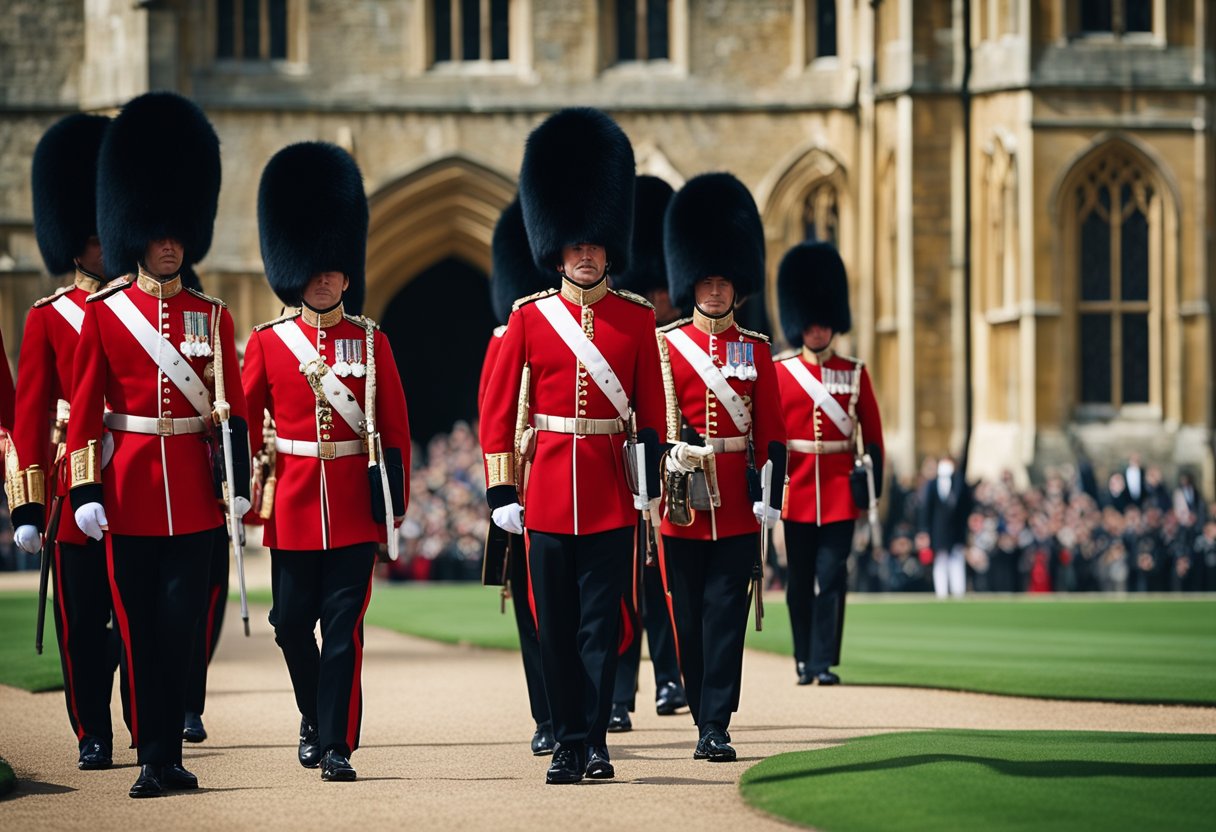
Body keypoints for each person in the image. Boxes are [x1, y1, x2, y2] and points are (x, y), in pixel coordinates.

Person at [67, 92, 250, 798]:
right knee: (138, 633)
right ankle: (150, 756)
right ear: (137, 233)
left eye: (178, 231)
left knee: (181, 631)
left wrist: (235, 484)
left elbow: (228, 409)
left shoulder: (214, 315)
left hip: (195, 504)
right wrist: (85, 490)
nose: (169, 242)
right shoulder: (107, 316)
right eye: (159, 231)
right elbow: (85, 409)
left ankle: (170, 752)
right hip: (130, 495)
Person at [481, 108, 665, 784]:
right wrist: (504, 491)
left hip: (613, 499)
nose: (585, 254)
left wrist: (649, 479)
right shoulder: (530, 318)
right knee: (554, 631)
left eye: (595, 244)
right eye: (574, 245)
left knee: (601, 632)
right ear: (556, 249)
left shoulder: (637, 320)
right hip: (549, 496)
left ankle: (591, 741)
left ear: (609, 248)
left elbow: (648, 414)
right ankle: (566, 738)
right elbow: (500, 410)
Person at [243, 142, 410, 783]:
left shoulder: (372, 340)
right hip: (290, 506)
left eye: (335, 269)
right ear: (298, 270)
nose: (326, 278)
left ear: (346, 272)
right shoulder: (268, 342)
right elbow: (239, 415)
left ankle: (335, 742)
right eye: (315, 269)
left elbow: (393, 428)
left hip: (350, 510)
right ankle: (314, 718)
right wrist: (238, 482)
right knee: (289, 626)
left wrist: (389, 505)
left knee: (343, 632)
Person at [7, 112, 123, 771]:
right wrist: (26, 505)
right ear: (76, 246)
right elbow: (28, 416)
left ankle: (145, 724)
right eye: (94, 238)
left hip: (132, 487)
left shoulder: (139, 310)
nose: (105, 245)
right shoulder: (48, 317)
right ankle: (91, 732)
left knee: (135, 625)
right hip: (67, 494)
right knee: (83, 630)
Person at [656, 172, 786, 761]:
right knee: (687, 618)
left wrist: (769, 493)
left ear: (737, 285)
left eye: (722, 280)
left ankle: (716, 723)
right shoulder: (668, 344)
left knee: (725, 617)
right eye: (704, 280)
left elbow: (775, 432)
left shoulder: (757, 349)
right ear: (691, 282)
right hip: (683, 502)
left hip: (736, 501)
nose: (712, 291)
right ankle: (697, 698)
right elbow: (654, 422)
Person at [775, 242, 884, 685]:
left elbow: (873, 439)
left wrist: (871, 495)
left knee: (831, 577)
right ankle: (802, 657)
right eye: (810, 322)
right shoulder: (781, 372)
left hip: (839, 492)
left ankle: (823, 662)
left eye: (823, 322)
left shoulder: (854, 372)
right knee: (799, 583)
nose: (817, 330)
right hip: (797, 491)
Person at [606, 174, 687, 732]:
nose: (660, 298)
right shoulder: (624, 330)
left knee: (666, 584)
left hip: (671, 477)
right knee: (619, 590)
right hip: (620, 473)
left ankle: (669, 677)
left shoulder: (682, 339)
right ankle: (617, 693)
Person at [478, 197, 553, 755]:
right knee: (531, 610)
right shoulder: (504, 340)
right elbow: (492, 416)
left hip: (566, 484)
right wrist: (502, 489)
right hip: (524, 492)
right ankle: (546, 716)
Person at [919, 449, 971, 598]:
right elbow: (926, 510)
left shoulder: (960, 483)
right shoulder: (932, 484)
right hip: (938, 531)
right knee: (940, 561)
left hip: (956, 531)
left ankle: (958, 592)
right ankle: (941, 593)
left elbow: (966, 508)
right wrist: (924, 531)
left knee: (956, 560)